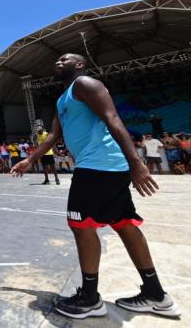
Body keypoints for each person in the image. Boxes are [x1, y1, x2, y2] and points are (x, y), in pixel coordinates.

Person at [12, 53, 179, 319]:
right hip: (104, 166)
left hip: (98, 164)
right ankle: (156, 295)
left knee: (81, 225)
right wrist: (30, 159)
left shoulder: (86, 84)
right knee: (123, 223)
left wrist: (136, 163)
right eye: (56, 59)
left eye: (65, 59)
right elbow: (55, 135)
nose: (57, 61)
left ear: (79, 65)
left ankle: (90, 299)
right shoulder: (63, 98)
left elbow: (113, 119)